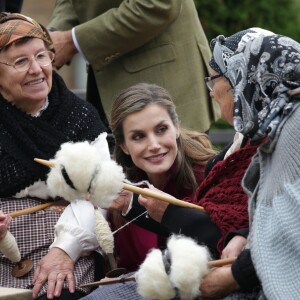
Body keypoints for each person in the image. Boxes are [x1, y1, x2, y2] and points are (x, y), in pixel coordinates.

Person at [81, 82, 257, 300]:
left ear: (176, 127)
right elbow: (128, 266)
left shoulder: (212, 177)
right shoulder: (123, 187)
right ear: (124, 145)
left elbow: (226, 243)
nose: (154, 145)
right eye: (138, 137)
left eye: (161, 130)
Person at [0, 12, 108, 300]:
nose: (36, 69)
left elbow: (101, 197)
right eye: (20, 61)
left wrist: (64, 249)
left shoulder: (81, 118)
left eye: (41, 56)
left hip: (68, 239)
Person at [199, 27, 300, 299]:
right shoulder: (277, 127)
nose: (211, 91)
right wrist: (244, 235)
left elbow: (291, 234)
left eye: (214, 80)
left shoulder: (295, 128)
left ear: (241, 76)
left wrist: (234, 276)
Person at [47, 0, 220, 132]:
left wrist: (72, 40)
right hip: (105, 84)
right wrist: (52, 36)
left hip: (161, 82)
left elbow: (156, 5)